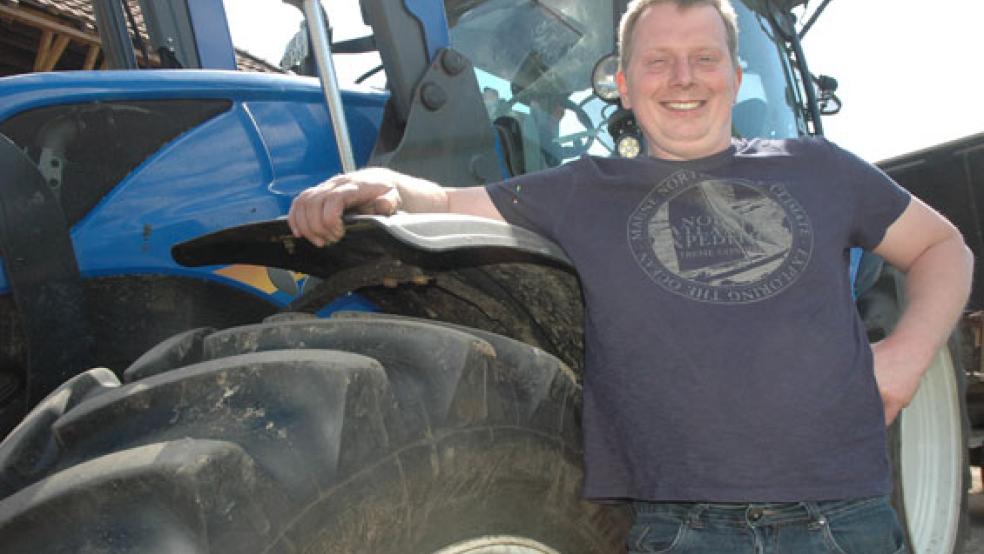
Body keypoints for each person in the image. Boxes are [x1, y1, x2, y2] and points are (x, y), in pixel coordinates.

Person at [287, 0, 973, 552]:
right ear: (622, 81)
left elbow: (945, 248)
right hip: (679, 530)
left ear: (736, 76)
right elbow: (444, 203)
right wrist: (378, 180)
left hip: (840, 521)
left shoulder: (819, 167)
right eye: (659, 62)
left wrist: (907, 358)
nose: (683, 78)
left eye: (704, 59)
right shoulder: (583, 189)